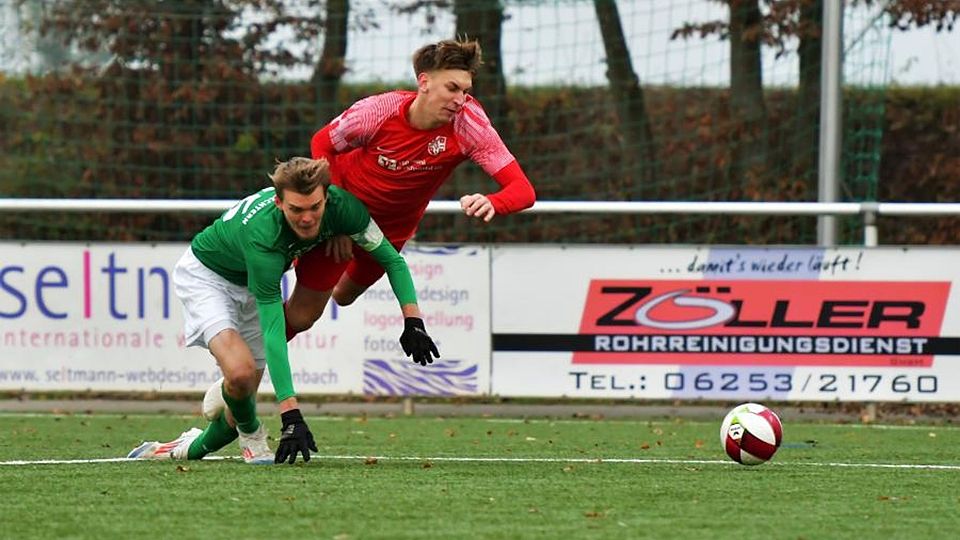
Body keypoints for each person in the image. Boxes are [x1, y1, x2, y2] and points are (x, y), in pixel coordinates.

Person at [127, 157, 439, 465]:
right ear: (278, 203)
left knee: (237, 399)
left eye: (314, 208)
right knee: (240, 373)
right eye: (296, 210)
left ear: (327, 198)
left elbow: (392, 260)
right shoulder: (263, 236)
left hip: (249, 282)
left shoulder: (344, 208)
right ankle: (252, 433)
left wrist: (413, 319)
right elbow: (274, 331)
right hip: (208, 277)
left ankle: (178, 447)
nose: (307, 218)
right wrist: (290, 412)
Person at [283, 38, 536, 339]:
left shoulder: (469, 125)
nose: (460, 100)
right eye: (452, 88)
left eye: (466, 92)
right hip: (341, 213)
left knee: (344, 296)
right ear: (424, 82)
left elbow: (523, 190)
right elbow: (323, 142)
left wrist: (493, 201)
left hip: (390, 231)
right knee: (302, 315)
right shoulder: (377, 111)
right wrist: (337, 212)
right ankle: (240, 369)